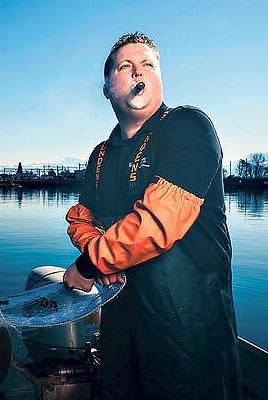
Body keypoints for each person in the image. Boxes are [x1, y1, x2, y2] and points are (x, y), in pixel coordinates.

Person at [63, 32, 241, 399]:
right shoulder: (100, 155)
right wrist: (100, 255)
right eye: (125, 66)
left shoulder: (188, 126)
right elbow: (80, 219)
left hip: (189, 331)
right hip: (120, 324)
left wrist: (90, 264)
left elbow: (160, 221)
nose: (138, 72)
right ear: (107, 88)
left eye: (148, 65)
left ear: (159, 78)